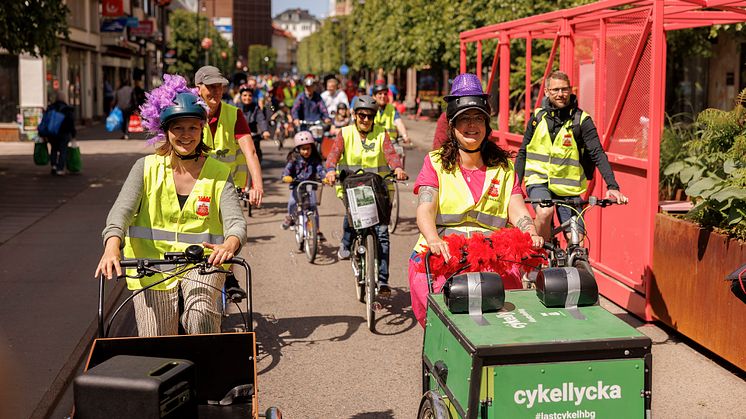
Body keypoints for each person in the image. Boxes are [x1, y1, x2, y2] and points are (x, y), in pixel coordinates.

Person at [95, 75, 247, 336]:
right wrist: (112, 247)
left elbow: (236, 222)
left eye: (192, 128)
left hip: (203, 266)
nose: (186, 135)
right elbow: (121, 212)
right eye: (178, 128)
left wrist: (229, 245)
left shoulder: (219, 172)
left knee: (201, 319)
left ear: (202, 130)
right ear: (165, 131)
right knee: (156, 341)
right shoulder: (145, 168)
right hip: (151, 268)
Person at [408, 73, 544, 327]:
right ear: (452, 125)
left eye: (478, 118)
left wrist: (529, 230)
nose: (472, 126)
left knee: (512, 315)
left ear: (487, 123)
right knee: (444, 316)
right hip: (445, 258)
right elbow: (425, 208)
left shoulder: (504, 167)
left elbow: (517, 209)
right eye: (464, 119)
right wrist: (433, 239)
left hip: (493, 260)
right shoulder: (435, 163)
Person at [515, 70, 629, 242]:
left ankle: (576, 263)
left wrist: (612, 185)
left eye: (564, 89)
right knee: (545, 212)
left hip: (568, 188)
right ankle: (543, 256)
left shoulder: (581, 120)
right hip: (539, 181)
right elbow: (523, 152)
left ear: (570, 90)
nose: (560, 94)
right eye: (555, 90)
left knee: (577, 241)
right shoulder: (537, 118)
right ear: (547, 92)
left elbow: (597, 152)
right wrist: (515, 187)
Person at [324, 95, 408, 297]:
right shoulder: (344, 133)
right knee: (351, 221)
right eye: (361, 115)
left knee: (382, 234)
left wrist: (397, 168)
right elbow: (333, 155)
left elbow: (391, 155)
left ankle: (383, 281)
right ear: (354, 115)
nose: (365, 119)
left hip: (378, 190)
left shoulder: (382, 134)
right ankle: (346, 243)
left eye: (370, 116)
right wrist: (330, 170)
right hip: (352, 188)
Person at [195, 66, 264, 206]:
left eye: (219, 86)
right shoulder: (189, 113)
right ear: (198, 89)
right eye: (211, 87)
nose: (216, 91)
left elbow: (250, 152)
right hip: (197, 187)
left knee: (235, 226)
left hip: (229, 187)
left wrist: (257, 187)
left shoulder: (234, 114)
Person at [282, 131, 327, 241]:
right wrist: (286, 176)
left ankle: (316, 230)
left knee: (313, 207)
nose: (306, 151)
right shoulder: (294, 159)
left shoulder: (315, 160)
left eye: (308, 148)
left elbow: (320, 170)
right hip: (297, 186)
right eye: (303, 149)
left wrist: (325, 177)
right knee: (293, 202)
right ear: (298, 149)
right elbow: (287, 170)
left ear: (312, 148)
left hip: (311, 186)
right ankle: (290, 217)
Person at [235, 84, 271, 163]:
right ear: (240, 96)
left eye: (250, 95)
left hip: (252, 136)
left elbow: (261, 119)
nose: (247, 98)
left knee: (256, 154)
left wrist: (265, 130)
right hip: (238, 138)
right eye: (244, 95)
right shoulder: (235, 108)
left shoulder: (256, 108)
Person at [43, 91, 76, 176]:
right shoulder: (67, 109)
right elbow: (70, 123)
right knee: (63, 150)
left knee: (54, 148)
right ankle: (60, 168)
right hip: (63, 133)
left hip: (52, 132)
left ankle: (53, 165)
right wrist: (73, 134)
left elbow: (46, 120)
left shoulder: (51, 108)